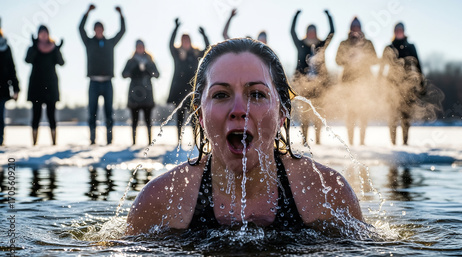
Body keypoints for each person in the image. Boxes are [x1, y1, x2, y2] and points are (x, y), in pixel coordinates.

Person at [126, 38, 363, 235]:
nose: (239, 109)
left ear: (282, 112)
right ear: (199, 114)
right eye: (220, 95)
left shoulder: (327, 194)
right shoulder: (158, 202)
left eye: (257, 94)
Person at [79, 4, 125, 145]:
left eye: (100, 28)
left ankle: (109, 141)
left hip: (107, 83)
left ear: (103, 30)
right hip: (93, 82)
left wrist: (121, 15)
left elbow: (122, 31)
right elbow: (80, 29)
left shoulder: (110, 42)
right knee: (92, 113)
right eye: (96, 28)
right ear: (94, 30)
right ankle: (92, 140)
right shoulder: (89, 42)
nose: (99, 30)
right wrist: (87, 13)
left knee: (109, 113)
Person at [291, 10, 334, 145]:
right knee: (304, 113)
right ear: (306, 32)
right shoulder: (301, 45)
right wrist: (296, 15)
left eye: (313, 31)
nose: (311, 33)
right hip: (304, 84)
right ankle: (304, 139)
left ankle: (318, 140)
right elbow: (292, 32)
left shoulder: (321, 46)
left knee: (318, 112)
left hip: (319, 85)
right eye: (309, 31)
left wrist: (328, 15)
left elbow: (332, 32)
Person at [335, 17, 377, 146]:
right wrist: (348, 58)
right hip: (348, 83)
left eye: (357, 26)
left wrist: (363, 58)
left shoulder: (368, 43)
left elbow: (375, 60)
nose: (355, 29)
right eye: (353, 26)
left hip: (364, 83)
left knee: (363, 112)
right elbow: (337, 61)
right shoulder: (344, 43)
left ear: (361, 28)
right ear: (350, 28)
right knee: (350, 113)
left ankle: (362, 142)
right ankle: (351, 143)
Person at [167, 18, 209, 146]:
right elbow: (169, 45)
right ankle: (179, 141)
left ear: (190, 41)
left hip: (192, 89)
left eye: (187, 39)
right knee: (179, 116)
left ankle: (195, 141)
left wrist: (204, 34)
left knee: (194, 117)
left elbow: (208, 49)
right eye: (183, 39)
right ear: (181, 41)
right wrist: (175, 28)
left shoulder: (195, 53)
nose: (186, 42)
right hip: (178, 89)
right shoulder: (177, 53)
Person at [379, 22, 423, 145]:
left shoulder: (411, 47)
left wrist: (421, 83)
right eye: (397, 29)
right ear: (394, 31)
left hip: (408, 86)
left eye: (401, 29)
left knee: (406, 116)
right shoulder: (388, 47)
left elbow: (418, 65)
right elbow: (382, 68)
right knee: (392, 115)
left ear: (404, 31)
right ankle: (393, 144)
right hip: (392, 86)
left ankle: (405, 143)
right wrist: (379, 84)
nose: (399, 31)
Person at [25, 25, 64, 146]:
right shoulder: (33, 48)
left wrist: (57, 49)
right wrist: (35, 47)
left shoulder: (54, 48)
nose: (43, 35)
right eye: (40, 33)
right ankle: (34, 143)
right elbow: (27, 60)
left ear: (48, 34)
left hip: (51, 87)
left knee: (51, 115)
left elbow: (61, 62)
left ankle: (54, 143)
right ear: (38, 35)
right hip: (36, 86)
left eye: (45, 33)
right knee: (36, 115)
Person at [122, 40, 160, 145]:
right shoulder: (131, 61)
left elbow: (157, 74)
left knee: (148, 120)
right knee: (134, 120)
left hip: (147, 94)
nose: (140, 48)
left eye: (141, 46)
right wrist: (134, 70)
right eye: (138, 47)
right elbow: (124, 74)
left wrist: (147, 69)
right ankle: (134, 142)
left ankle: (149, 141)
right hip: (134, 94)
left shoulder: (150, 60)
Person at [0, 19, 20, 146]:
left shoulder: (5, 47)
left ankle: (0, 141)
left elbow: (11, 69)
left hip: (1, 88)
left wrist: (16, 88)